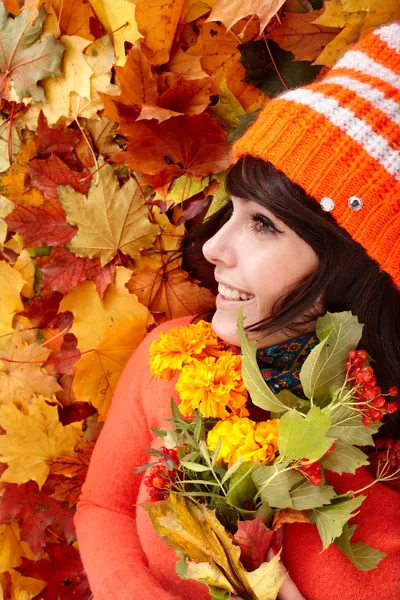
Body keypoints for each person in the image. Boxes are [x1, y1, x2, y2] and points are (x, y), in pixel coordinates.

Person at [74, 21, 400, 600]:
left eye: (263, 225)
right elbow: (103, 508)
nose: (212, 247)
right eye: (234, 209)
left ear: (358, 263)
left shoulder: (384, 471)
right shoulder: (173, 363)